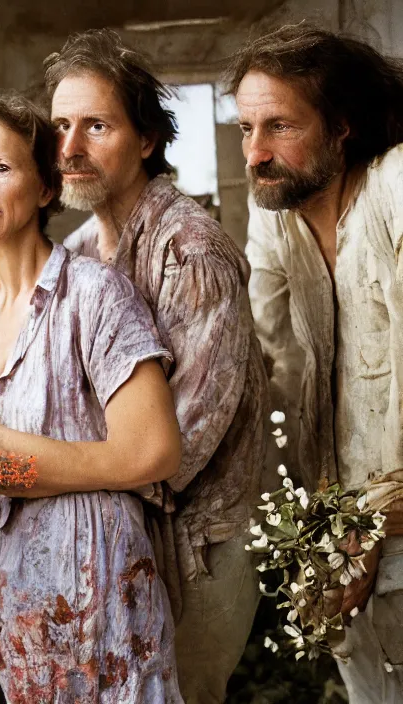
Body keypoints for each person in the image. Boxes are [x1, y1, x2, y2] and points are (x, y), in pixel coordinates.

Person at [0, 92, 185, 703]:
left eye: (1, 168)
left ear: (47, 190)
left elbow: (155, 452)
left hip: (93, 612)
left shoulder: (96, 296)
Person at [44, 29, 269, 703]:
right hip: (111, 531)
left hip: (196, 549)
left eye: (96, 125)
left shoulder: (191, 251)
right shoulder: (79, 253)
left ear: (145, 140)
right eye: (60, 125)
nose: (70, 148)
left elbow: (179, 447)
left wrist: (38, 478)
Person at [226, 23, 403, 703]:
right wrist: (308, 527)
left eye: (279, 126)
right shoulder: (276, 212)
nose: (256, 152)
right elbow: (265, 354)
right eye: (245, 128)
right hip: (340, 522)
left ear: (342, 127)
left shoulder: (393, 188)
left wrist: (371, 521)